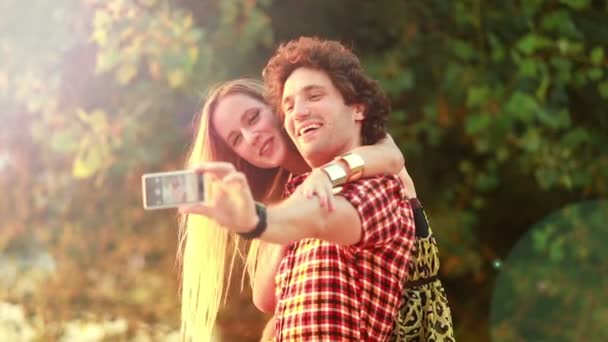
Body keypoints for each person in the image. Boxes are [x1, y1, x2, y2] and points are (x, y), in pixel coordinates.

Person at [181, 36, 418, 341]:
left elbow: (391, 157)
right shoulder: (288, 192)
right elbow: (265, 298)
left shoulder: (370, 168)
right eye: (237, 140)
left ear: (274, 107)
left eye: (253, 118)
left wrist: (328, 175)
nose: (251, 137)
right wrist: (281, 219)